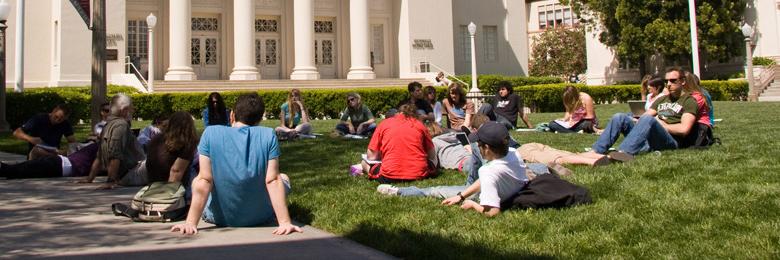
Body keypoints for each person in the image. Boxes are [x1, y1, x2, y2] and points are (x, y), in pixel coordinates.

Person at [170, 93, 301, 235]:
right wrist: (285, 222)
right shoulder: (268, 135)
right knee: (283, 178)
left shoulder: (210, 133)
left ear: (232, 115)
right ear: (259, 119)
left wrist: (190, 223)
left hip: (217, 217)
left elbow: (205, 180)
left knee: (197, 180)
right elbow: (273, 180)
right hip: (260, 217)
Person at [377, 122, 528, 217]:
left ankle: (398, 191)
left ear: (487, 148)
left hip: (483, 195)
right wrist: (461, 196)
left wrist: (472, 204)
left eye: (480, 143)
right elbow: (487, 178)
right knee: (473, 151)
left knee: (434, 190)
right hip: (508, 187)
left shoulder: (488, 172)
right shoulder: (513, 153)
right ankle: (467, 185)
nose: (478, 145)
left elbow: (493, 212)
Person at [588, 68, 699, 159]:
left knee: (649, 120)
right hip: (650, 138)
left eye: (673, 81)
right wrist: (637, 121)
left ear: (683, 81)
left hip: (670, 141)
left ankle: (624, 153)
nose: (668, 84)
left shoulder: (689, 101)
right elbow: (646, 116)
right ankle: (596, 151)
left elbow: (684, 129)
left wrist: (662, 125)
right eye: (666, 81)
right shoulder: (662, 99)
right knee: (620, 117)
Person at [354, 103, 437, 183]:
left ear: (398, 113)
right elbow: (432, 155)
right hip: (419, 173)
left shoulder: (384, 124)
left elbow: (371, 156)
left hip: (389, 175)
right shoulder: (420, 125)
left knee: (364, 163)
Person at [80, 94, 145, 189]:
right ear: (124, 110)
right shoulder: (121, 125)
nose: (133, 111)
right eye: (131, 108)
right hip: (133, 173)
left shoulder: (107, 126)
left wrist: (90, 178)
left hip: (127, 174)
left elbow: (99, 156)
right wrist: (110, 181)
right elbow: (115, 154)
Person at [145, 111, 198, 183]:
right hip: (169, 185)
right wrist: (170, 190)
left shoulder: (157, 138)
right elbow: (176, 170)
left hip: (153, 181)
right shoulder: (186, 144)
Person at [0, 142, 99, 179]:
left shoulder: (100, 146)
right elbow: (100, 163)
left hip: (61, 164)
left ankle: (3, 169)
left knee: (24, 169)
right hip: (60, 164)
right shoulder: (101, 146)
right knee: (21, 169)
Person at [13, 104, 77, 160]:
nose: (57, 120)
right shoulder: (39, 119)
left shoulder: (65, 124)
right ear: (54, 111)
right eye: (56, 117)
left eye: (61, 119)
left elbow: (72, 141)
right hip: (37, 154)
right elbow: (17, 132)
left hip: (53, 152)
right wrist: (31, 139)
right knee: (37, 150)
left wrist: (67, 150)